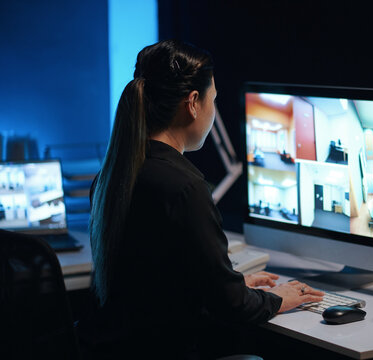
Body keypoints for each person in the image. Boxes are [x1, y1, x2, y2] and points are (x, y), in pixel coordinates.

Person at [76, 40, 323, 359]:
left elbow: (147, 283)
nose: (213, 109)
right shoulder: (185, 187)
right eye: (214, 100)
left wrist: (231, 282)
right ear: (193, 102)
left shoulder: (111, 176)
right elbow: (232, 307)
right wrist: (281, 298)